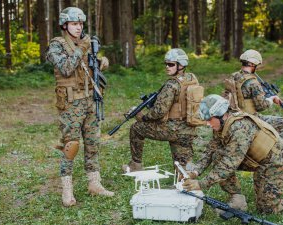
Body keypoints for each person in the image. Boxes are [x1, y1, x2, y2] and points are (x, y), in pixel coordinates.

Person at [183, 95, 283, 214]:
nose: (208, 124)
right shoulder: (223, 124)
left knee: (267, 209)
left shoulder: (239, 129)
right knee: (218, 155)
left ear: (221, 115)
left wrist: (200, 184)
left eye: (209, 120)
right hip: (258, 159)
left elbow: (228, 165)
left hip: (274, 163)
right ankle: (237, 200)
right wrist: (195, 172)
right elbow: (211, 150)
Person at [46, 7, 114, 207]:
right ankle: (67, 190)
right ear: (65, 25)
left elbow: (86, 66)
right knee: (71, 146)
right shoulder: (56, 46)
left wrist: (101, 62)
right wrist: (83, 48)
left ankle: (95, 184)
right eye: (74, 24)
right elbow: (66, 69)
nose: (78, 27)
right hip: (70, 103)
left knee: (93, 143)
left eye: (81, 24)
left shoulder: (85, 44)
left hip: (90, 100)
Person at [123, 48, 202, 172]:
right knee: (183, 165)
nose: (167, 67)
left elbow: (159, 112)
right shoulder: (192, 79)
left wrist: (142, 117)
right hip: (189, 127)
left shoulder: (171, 85)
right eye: (166, 64)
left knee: (136, 128)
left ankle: (135, 165)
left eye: (171, 64)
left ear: (181, 65)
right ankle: (186, 175)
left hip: (172, 129)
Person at [222, 49, 283, 142]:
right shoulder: (253, 82)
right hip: (249, 118)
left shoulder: (234, 76)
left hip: (232, 116)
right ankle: (274, 149)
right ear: (252, 64)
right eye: (256, 65)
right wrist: (271, 99)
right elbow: (261, 106)